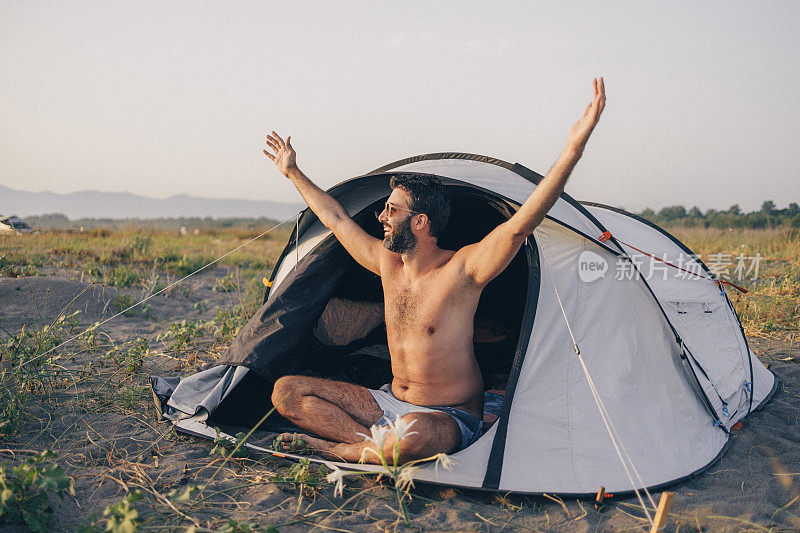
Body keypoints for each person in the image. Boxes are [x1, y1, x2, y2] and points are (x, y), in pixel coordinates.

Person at [263, 78, 606, 463]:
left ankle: (343, 448)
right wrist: (293, 172)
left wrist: (573, 149)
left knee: (413, 435)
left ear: (421, 222)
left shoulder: (462, 270)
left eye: (392, 210)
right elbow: (336, 217)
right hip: (388, 402)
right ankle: (371, 447)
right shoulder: (386, 263)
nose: (381, 217)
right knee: (286, 392)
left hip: (446, 415)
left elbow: (519, 225)